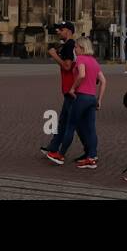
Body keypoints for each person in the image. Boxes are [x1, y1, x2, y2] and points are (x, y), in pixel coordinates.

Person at [49, 37, 105, 169]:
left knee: (70, 126)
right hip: (92, 98)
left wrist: (73, 88)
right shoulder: (94, 61)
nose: (74, 50)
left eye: (76, 48)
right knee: (91, 129)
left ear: (82, 48)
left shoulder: (81, 59)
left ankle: (61, 155)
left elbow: (82, 75)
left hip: (81, 97)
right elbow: (103, 81)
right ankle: (91, 157)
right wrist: (99, 99)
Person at [43, 21, 79, 160]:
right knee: (64, 121)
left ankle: (61, 153)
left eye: (61, 29)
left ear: (68, 31)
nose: (58, 31)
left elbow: (67, 66)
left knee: (71, 123)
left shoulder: (69, 45)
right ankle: (53, 146)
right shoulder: (68, 45)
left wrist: (54, 55)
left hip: (71, 89)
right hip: (69, 89)